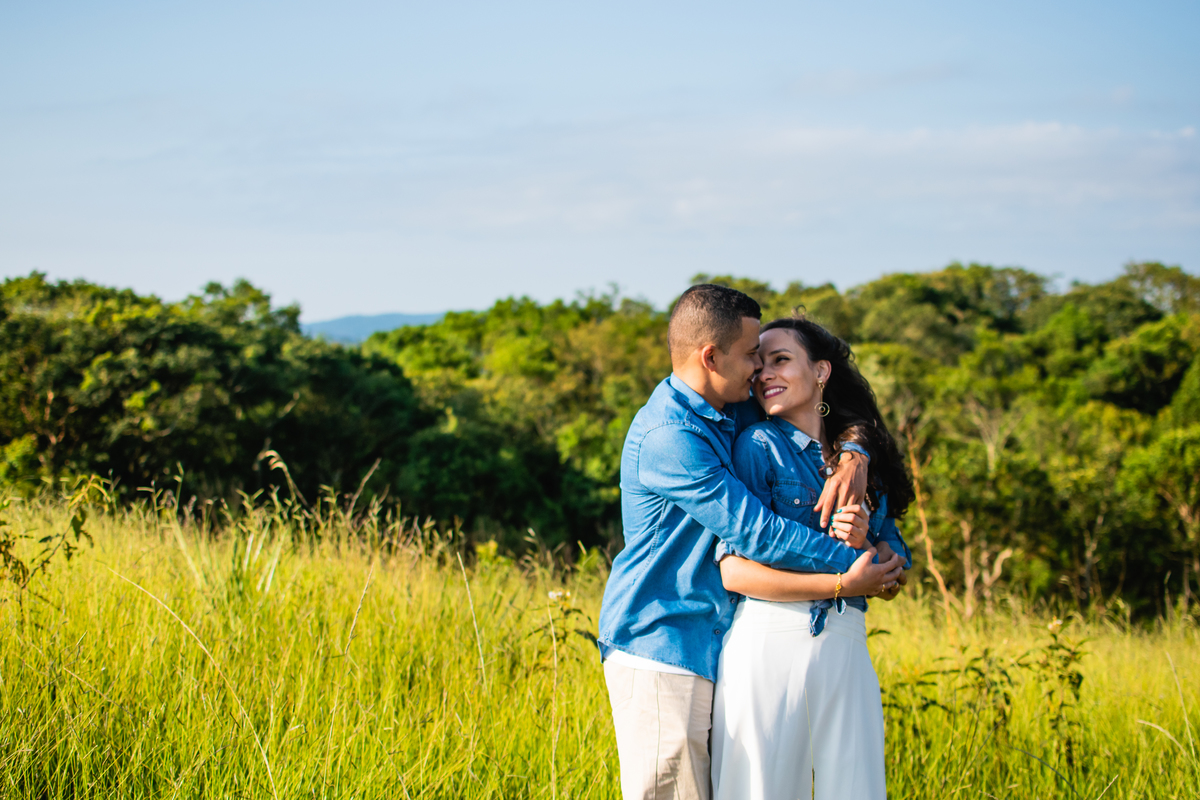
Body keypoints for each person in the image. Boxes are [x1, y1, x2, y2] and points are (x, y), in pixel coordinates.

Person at [597, 286, 904, 800]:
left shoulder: (731, 409)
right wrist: (857, 567)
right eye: (750, 356)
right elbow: (757, 533)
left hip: (711, 642)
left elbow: (825, 413)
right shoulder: (671, 436)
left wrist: (855, 452)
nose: (759, 370)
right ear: (710, 358)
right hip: (664, 640)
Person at [710, 316, 915, 800]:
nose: (764, 373)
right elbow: (735, 572)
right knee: (761, 790)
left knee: (857, 790)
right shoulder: (759, 446)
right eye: (760, 363)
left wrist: (864, 545)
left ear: (821, 371)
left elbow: (894, 572)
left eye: (780, 360)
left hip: (847, 646)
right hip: (771, 639)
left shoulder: (861, 464)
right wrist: (843, 580)